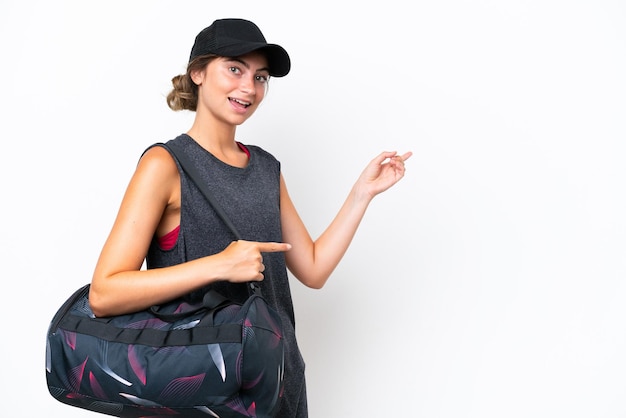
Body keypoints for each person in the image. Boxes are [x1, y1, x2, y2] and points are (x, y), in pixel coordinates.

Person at [88, 18, 412, 417]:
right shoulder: (165, 165)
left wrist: (361, 195)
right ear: (198, 72)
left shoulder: (265, 168)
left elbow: (312, 269)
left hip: (278, 384)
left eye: (260, 77)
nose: (249, 88)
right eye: (234, 69)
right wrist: (220, 265)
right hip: (202, 394)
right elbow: (104, 294)